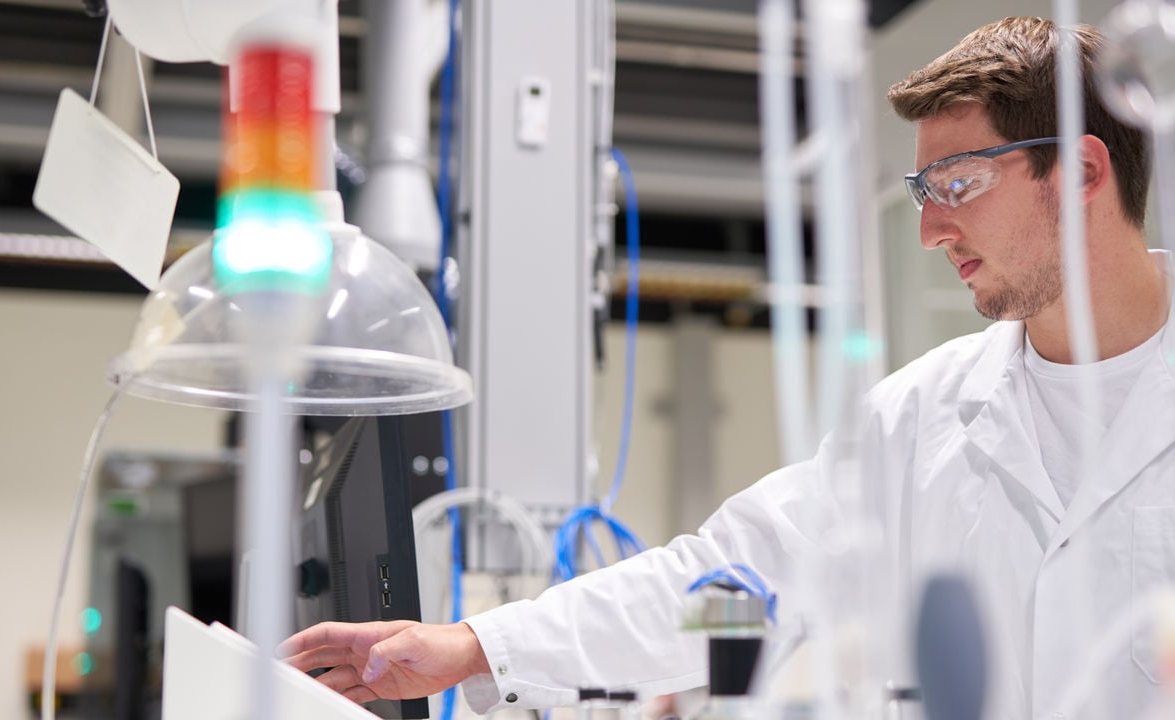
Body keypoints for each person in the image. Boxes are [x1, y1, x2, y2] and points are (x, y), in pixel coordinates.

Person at [278, 16, 1169, 719]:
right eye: (921, 194)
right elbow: (721, 577)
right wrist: (475, 646)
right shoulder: (925, 416)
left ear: (1083, 171)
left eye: (959, 185)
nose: (932, 230)